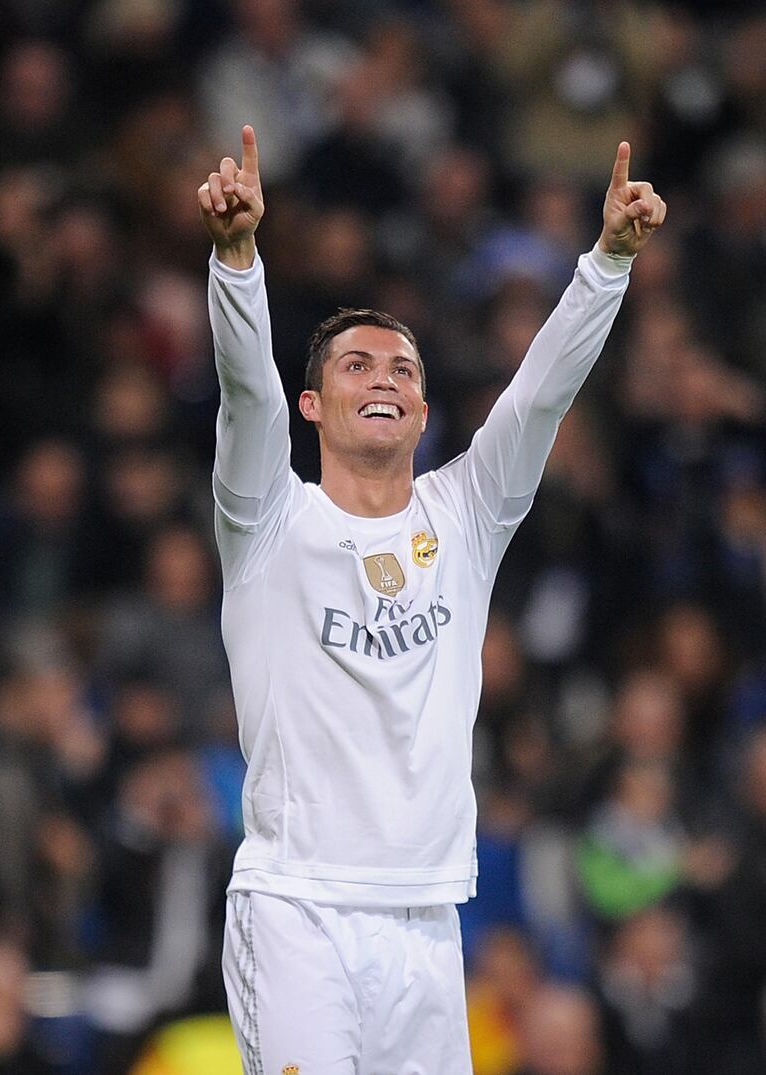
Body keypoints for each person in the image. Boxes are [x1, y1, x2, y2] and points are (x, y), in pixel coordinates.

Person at [197, 125, 665, 1074]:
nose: (386, 378)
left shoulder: (465, 517)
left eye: (404, 369)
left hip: (426, 917)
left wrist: (607, 262)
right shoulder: (266, 519)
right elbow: (246, 395)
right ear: (316, 405)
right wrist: (238, 261)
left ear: (420, 410)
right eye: (358, 366)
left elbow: (538, 397)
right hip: (299, 909)